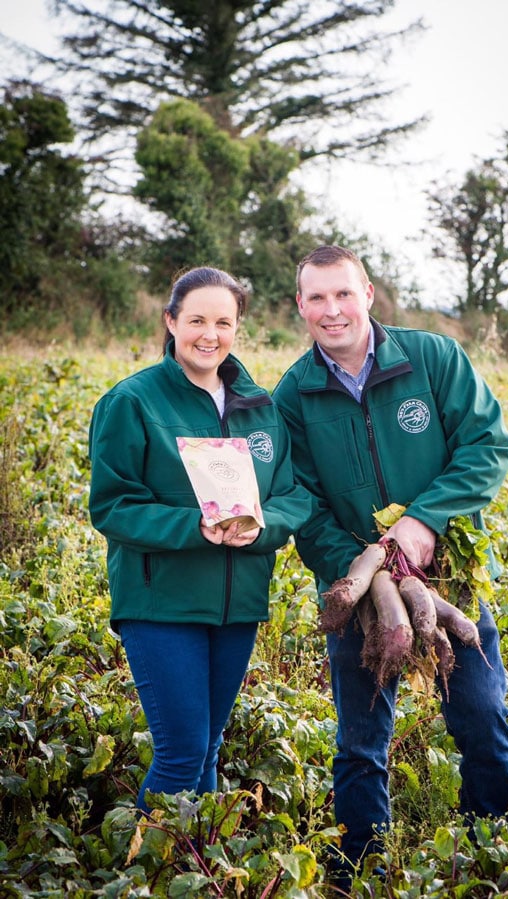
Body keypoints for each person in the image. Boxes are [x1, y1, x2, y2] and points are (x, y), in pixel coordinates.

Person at [272, 245, 508, 884]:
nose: (333, 311)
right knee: (360, 740)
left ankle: (496, 851)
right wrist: (368, 569)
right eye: (317, 298)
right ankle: (361, 863)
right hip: (360, 592)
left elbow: (486, 444)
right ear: (300, 306)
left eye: (344, 294)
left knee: (482, 714)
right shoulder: (294, 395)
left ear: (368, 294)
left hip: (449, 578)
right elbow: (301, 503)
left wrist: (423, 520)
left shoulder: (432, 358)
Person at [89, 266, 312, 813]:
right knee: (182, 754)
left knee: (209, 748)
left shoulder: (261, 407)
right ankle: (140, 876)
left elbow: (293, 495)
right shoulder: (133, 401)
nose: (209, 334)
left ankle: (195, 865)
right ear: (171, 322)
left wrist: (262, 526)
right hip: (162, 602)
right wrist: (195, 527)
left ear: (237, 328)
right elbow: (113, 506)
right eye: (195, 320)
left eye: (223, 321)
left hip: (238, 606)